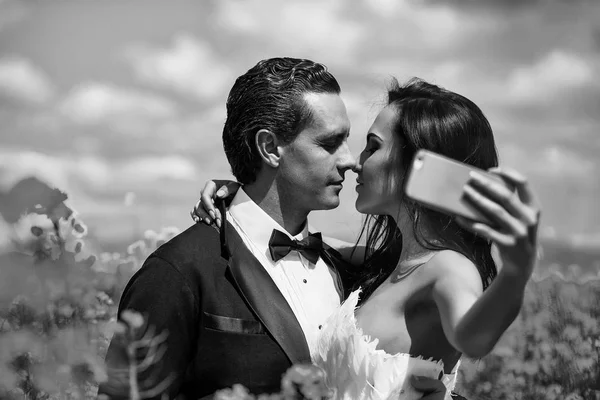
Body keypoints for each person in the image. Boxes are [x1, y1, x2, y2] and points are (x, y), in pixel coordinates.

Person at [98, 58, 454, 400]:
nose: (348, 160)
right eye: (330, 143)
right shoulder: (177, 272)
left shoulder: (354, 271)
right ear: (269, 148)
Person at [192, 78, 541, 399]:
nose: (355, 163)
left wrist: (515, 273)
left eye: (372, 147)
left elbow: (473, 337)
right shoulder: (389, 262)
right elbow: (296, 240)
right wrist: (244, 196)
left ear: (417, 163)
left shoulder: (449, 268)